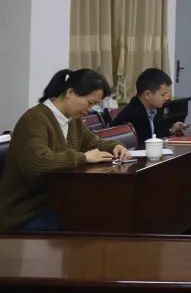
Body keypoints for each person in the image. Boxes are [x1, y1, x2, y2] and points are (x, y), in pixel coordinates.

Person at [0, 69, 130, 232]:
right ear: (70, 93)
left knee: (104, 214)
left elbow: (93, 142)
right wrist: (83, 157)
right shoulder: (34, 119)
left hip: (56, 201)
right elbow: (37, 163)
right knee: (87, 223)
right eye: (89, 102)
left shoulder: (73, 120)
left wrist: (114, 146)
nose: (90, 109)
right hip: (25, 211)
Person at [111, 68, 187, 146]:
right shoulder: (134, 114)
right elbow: (145, 142)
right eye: (163, 95)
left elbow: (153, 132)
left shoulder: (150, 107)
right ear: (147, 94)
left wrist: (171, 129)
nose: (167, 98)